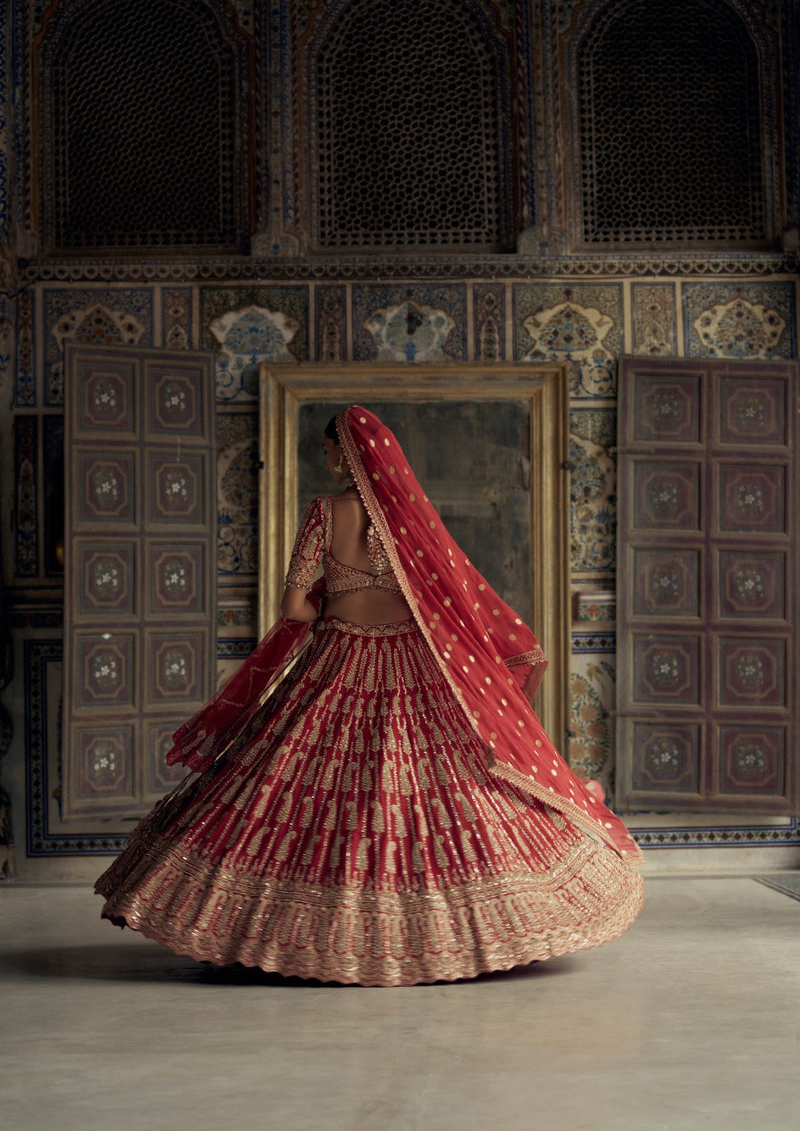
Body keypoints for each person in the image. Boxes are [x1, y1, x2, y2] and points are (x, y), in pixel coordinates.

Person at [95, 405, 643, 986]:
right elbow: (446, 600)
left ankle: (279, 933)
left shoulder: (325, 513)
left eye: (330, 450)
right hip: (415, 664)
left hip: (338, 658)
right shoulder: (411, 518)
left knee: (290, 779)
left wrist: (331, 606)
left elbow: (293, 608)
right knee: (447, 786)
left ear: (344, 453)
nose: (328, 459)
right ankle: (466, 929)